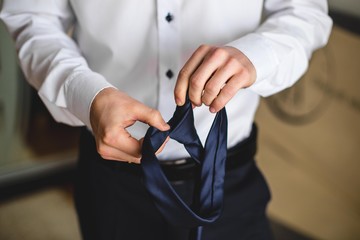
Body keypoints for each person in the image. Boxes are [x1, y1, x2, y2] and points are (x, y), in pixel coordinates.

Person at [0, 1, 332, 239]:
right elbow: (32, 16)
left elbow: (305, 12)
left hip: (231, 180)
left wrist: (256, 55)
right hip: (112, 184)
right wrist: (85, 94)